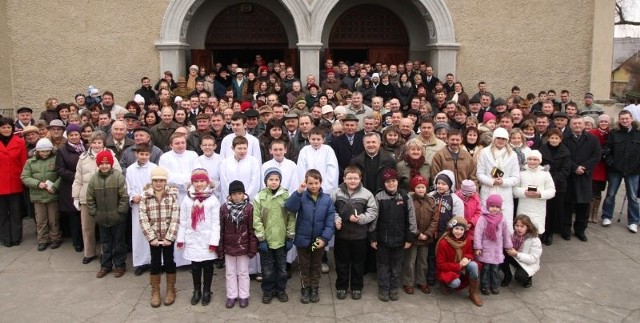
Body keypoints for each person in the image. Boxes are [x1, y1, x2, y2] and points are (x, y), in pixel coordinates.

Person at [285, 169, 335, 304]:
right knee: (304, 265)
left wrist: (324, 238)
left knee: (316, 265)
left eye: (316, 183)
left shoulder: (326, 199)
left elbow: (330, 221)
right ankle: (305, 288)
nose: (313, 186)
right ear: (305, 183)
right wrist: (298, 192)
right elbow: (289, 207)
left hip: (317, 241)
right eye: (310, 183)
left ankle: (314, 288)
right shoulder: (301, 197)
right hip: (303, 240)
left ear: (321, 182)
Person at [72, 131, 121, 264]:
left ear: (103, 143)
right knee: (87, 227)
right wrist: (75, 197)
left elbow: (118, 175)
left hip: (106, 197)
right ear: (90, 143)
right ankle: (89, 253)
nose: (97, 145)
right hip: (86, 197)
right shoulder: (83, 158)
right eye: (94, 142)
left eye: (99, 142)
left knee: (105, 228)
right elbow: (78, 179)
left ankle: (105, 253)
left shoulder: (110, 156)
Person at [370, 168, 418, 302]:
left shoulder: (405, 196)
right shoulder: (379, 197)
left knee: (396, 266)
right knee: (383, 266)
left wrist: (410, 237)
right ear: (383, 183)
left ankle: (394, 288)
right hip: (382, 240)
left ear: (397, 181)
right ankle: (384, 288)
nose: (391, 184)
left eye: (393, 181)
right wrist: (373, 237)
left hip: (399, 240)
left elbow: (411, 217)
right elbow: (374, 218)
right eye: (387, 182)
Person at [331, 166, 378, 300]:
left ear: (360, 179)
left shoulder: (367, 194)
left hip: (360, 237)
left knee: (358, 264)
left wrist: (361, 219)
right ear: (344, 179)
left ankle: (356, 287)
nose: (352, 181)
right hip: (342, 236)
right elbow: (331, 209)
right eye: (349, 178)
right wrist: (337, 219)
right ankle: (341, 286)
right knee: (341, 263)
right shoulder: (336, 193)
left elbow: (373, 211)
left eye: (355, 178)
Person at [176, 169, 221, 306]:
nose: (199, 184)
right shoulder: (187, 199)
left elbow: (216, 223)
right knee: (195, 266)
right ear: (192, 182)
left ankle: (207, 290)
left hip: (207, 239)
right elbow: (183, 220)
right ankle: (197, 291)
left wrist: (214, 241)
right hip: (193, 238)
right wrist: (181, 238)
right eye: (196, 181)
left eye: (202, 181)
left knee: (207, 266)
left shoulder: (212, 200)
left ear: (207, 182)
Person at [138, 166, 180, 307]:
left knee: (169, 261)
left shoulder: (172, 195)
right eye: (155, 180)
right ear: (152, 181)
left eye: (161, 180)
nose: (158, 183)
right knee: (155, 263)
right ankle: (155, 291)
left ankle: (170, 289)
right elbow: (143, 218)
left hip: (168, 236)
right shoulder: (145, 196)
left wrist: (170, 237)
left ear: (165, 181)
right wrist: (151, 238)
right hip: (154, 236)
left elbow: (175, 217)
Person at [254, 167, 296, 304]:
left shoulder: (286, 196)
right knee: (267, 269)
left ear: (280, 181)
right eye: (271, 179)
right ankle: (268, 290)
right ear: (266, 181)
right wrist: (261, 239)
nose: (274, 182)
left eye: (276, 179)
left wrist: (290, 236)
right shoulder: (260, 197)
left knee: (282, 268)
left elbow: (291, 217)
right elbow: (256, 219)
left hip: (281, 239)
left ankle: (280, 289)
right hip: (266, 240)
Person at [87, 150, 129, 278]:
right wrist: (94, 213)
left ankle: (120, 265)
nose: (104, 166)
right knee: (105, 243)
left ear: (111, 164)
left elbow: (124, 197)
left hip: (117, 218)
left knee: (119, 243)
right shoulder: (94, 179)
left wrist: (120, 212)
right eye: (101, 163)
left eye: (107, 163)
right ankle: (105, 265)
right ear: (98, 165)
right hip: (101, 218)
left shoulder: (118, 177)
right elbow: (90, 198)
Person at [219, 180, 257, 309]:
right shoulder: (224, 208)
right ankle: (231, 295)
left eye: (240, 193)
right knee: (230, 272)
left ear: (244, 194)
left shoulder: (249, 208)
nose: (237, 196)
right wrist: (221, 248)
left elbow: (252, 230)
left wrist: (252, 247)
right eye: (234, 194)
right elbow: (221, 230)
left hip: (243, 246)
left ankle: (244, 295)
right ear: (230, 195)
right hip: (229, 247)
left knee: (243, 272)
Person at [601, 110, 640, 233]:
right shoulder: (614, 133)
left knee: (633, 197)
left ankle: (633, 221)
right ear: (619, 120)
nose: (624, 121)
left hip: (633, 170)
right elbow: (607, 150)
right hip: (616, 170)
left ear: (631, 119)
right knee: (610, 194)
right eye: (622, 119)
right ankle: (607, 216)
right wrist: (611, 162)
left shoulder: (638, 133)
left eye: (626, 118)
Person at [564, 116, 601, 241]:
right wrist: (574, 167)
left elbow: (596, 155)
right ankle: (566, 230)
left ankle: (580, 230)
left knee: (583, 206)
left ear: (584, 125)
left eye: (580, 123)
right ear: (570, 125)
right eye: (575, 124)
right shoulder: (565, 139)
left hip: (584, 176)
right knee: (567, 205)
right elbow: (564, 155)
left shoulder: (592, 139)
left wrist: (584, 168)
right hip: (569, 176)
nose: (577, 126)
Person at [476, 128, 521, 231]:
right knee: (486, 223)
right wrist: (492, 181)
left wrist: (503, 182)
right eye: (498, 138)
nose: (501, 141)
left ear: (507, 140)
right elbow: (479, 174)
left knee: (505, 225)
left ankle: (505, 246)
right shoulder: (484, 152)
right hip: (488, 192)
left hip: (505, 194)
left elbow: (516, 177)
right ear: (494, 139)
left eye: (504, 139)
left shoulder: (512, 155)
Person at [21, 138, 61, 251]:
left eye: (47, 151)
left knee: (54, 219)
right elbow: (24, 177)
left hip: (52, 195)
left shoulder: (55, 160)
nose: (45, 153)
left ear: (51, 151)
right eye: (42, 151)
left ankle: (55, 237)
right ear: (37, 151)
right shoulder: (30, 162)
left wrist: (55, 186)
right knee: (41, 220)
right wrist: (38, 184)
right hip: (37, 196)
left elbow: (60, 176)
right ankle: (43, 239)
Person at [435, 216, 483, 306]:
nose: (459, 232)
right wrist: (459, 265)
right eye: (456, 228)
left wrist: (467, 257)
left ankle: (473, 293)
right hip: (448, 268)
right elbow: (441, 264)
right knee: (455, 283)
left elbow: (470, 253)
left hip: (461, 265)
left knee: (474, 265)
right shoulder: (443, 242)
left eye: (462, 229)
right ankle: (444, 283)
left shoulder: (466, 240)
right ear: (451, 228)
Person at [125, 143, 157, 276]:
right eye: (141, 154)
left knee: (153, 232)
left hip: (152, 204)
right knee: (139, 234)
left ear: (150, 155)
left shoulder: (154, 168)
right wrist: (133, 196)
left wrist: (144, 196)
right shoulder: (131, 169)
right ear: (136, 154)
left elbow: (157, 186)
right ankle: (140, 262)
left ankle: (154, 261)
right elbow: (129, 186)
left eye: (146, 154)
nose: (144, 157)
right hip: (138, 206)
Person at [401, 175, 436, 295]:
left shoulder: (431, 201)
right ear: (413, 188)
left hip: (426, 237)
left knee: (423, 261)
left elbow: (434, 220)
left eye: (423, 187)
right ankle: (408, 282)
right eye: (418, 187)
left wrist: (427, 234)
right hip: (413, 236)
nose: (421, 189)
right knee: (410, 261)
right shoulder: (409, 199)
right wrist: (416, 232)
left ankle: (422, 281)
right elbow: (407, 218)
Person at [473, 194, 513, 295]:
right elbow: (478, 233)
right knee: (485, 268)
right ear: (487, 206)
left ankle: (494, 285)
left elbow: (505, 232)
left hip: (496, 249)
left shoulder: (502, 218)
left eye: (497, 207)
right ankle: (485, 286)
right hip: (486, 248)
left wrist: (508, 245)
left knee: (495, 269)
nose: (494, 209)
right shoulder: (483, 218)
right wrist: (478, 247)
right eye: (492, 206)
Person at [539, 128, 571, 245]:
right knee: (545, 209)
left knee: (555, 209)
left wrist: (553, 180)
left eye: (556, 138)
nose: (554, 140)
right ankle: (543, 231)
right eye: (552, 138)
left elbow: (566, 170)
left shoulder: (565, 152)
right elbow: (539, 165)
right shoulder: (542, 150)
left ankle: (550, 232)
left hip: (559, 185)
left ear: (560, 139)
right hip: (543, 184)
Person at [55, 124, 85, 252]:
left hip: (85, 186)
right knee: (74, 215)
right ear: (67, 136)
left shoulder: (86, 148)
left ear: (80, 135)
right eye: (71, 135)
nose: (74, 137)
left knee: (85, 214)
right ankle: (77, 241)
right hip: (69, 186)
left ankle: (87, 240)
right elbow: (60, 169)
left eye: (76, 134)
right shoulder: (62, 150)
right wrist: (77, 177)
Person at [513, 150, 556, 236]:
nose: (532, 161)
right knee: (522, 230)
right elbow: (514, 189)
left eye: (535, 159)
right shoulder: (521, 172)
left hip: (538, 208)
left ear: (539, 161)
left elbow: (552, 191)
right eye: (530, 159)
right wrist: (524, 192)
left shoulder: (545, 173)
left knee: (536, 233)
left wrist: (540, 194)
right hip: (524, 207)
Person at [502, 214, 542, 288]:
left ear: (528, 227)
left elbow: (533, 259)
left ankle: (528, 278)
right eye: (517, 225)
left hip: (527, 263)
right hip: (515, 257)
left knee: (520, 277)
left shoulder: (534, 240)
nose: (519, 228)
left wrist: (517, 254)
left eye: (522, 226)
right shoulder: (512, 234)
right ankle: (508, 275)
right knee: (501, 253)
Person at [295, 127, 339, 194]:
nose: (316, 142)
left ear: (323, 139)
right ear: (308, 138)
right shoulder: (304, 150)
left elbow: (332, 170)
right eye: (313, 139)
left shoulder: (328, 150)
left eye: (318, 139)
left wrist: (325, 187)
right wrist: (307, 185)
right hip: (308, 187)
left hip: (326, 188)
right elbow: (301, 169)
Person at [220, 136, 261, 201]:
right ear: (233, 148)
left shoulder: (253, 162)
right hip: (230, 200)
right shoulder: (225, 162)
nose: (242, 151)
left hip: (248, 201)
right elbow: (224, 182)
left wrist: (246, 196)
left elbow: (255, 182)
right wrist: (232, 196)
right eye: (239, 148)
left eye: (245, 148)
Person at [588, 114, 610, 224]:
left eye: (606, 122)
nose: (604, 123)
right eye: (602, 121)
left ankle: (595, 214)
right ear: (598, 123)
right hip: (593, 165)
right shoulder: (592, 133)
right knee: (591, 189)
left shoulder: (611, 134)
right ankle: (589, 213)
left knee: (598, 191)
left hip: (603, 166)